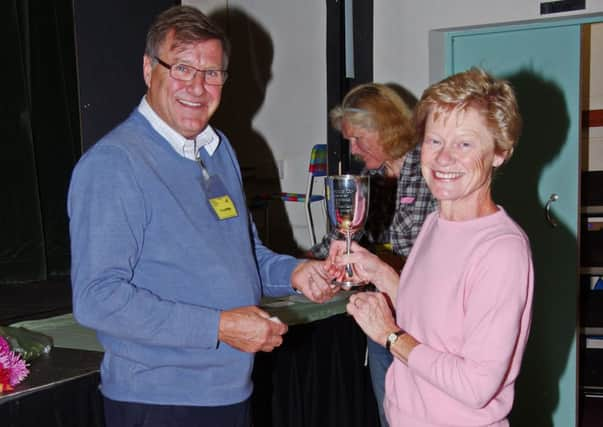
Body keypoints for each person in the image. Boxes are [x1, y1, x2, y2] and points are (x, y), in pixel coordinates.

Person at [67, 6, 337, 427]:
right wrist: (218, 327)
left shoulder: (216, 150)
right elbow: (97, 299)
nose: (197, 85)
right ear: (147, 69)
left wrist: (297, 273)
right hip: (159, 402)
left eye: (212, 73)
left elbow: (245, 257)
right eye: (182, 67)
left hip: (228, 392)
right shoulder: (114, 165)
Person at [328, 68, 533, 426]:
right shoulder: (438, 222)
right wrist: (379, 271)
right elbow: (425, 313)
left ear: (499, 151)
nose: (442, 158)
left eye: (464, 143)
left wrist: (388, 335)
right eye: (434, 141)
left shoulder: (501, 250)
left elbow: (475, 386)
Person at [310, 83, 436, 427]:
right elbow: (339, 239)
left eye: (358, 139)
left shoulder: (431, 172)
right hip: (381, 321)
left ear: (386, 129)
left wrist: (381, 267)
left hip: (427, 326)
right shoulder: (368, 181)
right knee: (391, 416)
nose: (353, 149)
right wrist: (303, 266)